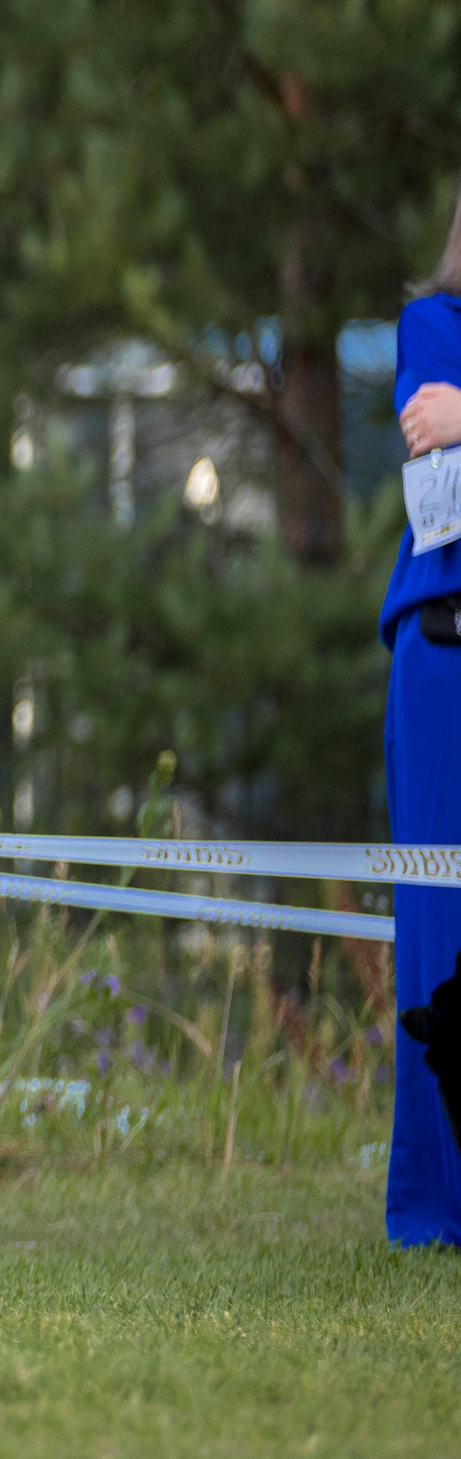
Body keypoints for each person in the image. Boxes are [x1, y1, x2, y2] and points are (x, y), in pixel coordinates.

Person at [382, 192, 461, 1249]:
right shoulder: (432, 328)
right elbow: (441, 500)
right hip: (445, 655)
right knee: (438, 940)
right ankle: (437, 1204)